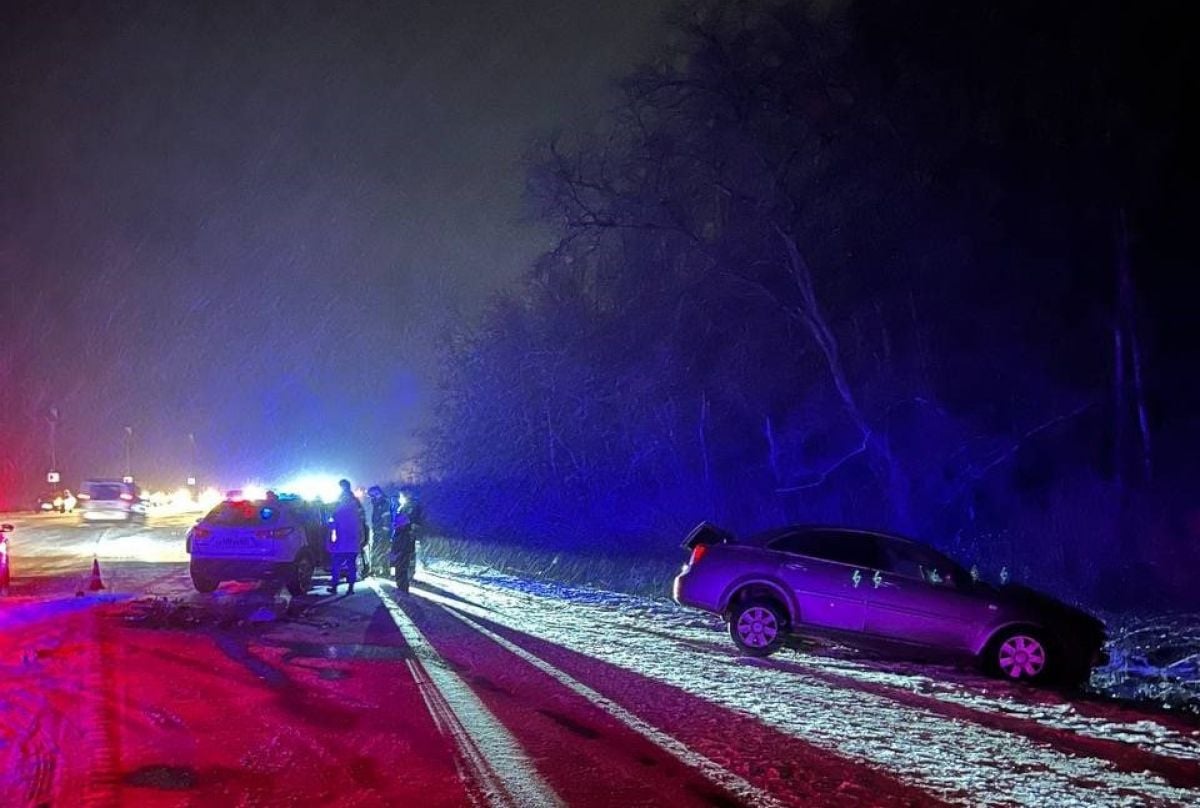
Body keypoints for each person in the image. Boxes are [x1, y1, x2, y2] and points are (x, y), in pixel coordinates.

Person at [326, 479, 366, 595]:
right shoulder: (356, 507)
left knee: (337, 565)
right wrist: (362, 539)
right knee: (351, 565)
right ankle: (350, 588)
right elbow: (361, 525)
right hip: (352, 542)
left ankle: (334, 587)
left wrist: (330, 540)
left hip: (340, 542)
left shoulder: (339, 509)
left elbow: (332, 524)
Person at [390, 497, 416, 593]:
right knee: (402, 568)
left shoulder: (402, 532)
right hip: (403, 549)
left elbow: (399, 542)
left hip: (402, 549)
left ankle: (402, 587)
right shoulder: (405, 530)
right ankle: (402, 586)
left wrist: (396, 550)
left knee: (401, 568)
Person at [367, 485, 393, 577]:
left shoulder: (383, 502)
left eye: (372, 495)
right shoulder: (377, 502)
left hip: (382, 531)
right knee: (378, 549)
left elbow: (386, 516)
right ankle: (376, 569)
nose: (371, 497)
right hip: (378, 529)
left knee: (383, 550)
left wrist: (384, 529)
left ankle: (384, 570)